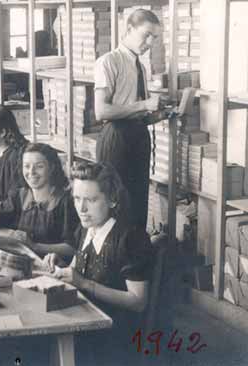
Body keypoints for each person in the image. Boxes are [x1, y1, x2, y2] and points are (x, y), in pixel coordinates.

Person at [46, 162, 152, 366]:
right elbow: (76, 270)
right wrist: (60, 265)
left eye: (91, 200)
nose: (82, 208)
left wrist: (84, 283)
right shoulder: (87, 228)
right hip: (83, 320)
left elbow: (138, 302)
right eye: (77, 198)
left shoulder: (131, 238)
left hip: (113, 338)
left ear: (112, 200)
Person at [94, 9, 164, 231]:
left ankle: (135, 261)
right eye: (147, 35)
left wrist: (158, 114)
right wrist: (144, 105)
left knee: (137, 203)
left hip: (137, 135)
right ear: (129, 29)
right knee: (116, 203)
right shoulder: (108, 61)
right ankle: (113, 260)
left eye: (155, 37)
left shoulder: (140, 67)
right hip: (115, 137)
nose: (150, 42)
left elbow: (136, 113)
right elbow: (101, 111)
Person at [0, 143, 79, 258]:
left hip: (53, 267)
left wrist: (34, 246)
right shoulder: (19, 196)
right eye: (26, 166)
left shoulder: (66, 202)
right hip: (21, 261)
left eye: (39, 166)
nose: (31, 172)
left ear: (52, 167)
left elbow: (72, 248)